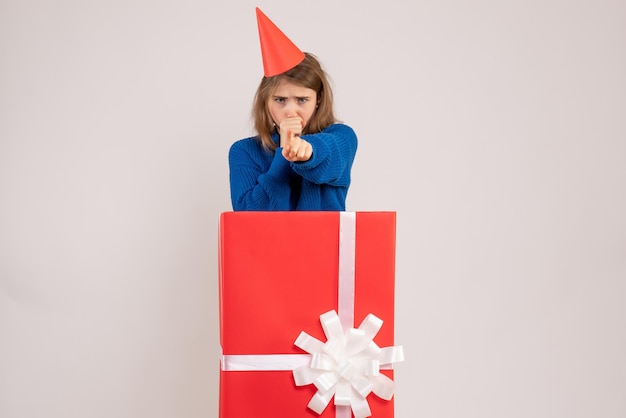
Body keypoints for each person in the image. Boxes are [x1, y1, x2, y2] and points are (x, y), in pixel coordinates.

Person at [228, 8, 358, 211]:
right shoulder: (244, 151)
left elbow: (330, 154)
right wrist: (284, 154)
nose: (290, 111)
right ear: (266, 102)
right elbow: (248, 217)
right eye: (280, 100)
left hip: (325, 243)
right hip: (269, 244)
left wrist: (307, 152)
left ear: (318, 99)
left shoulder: (342, 137)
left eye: (302, 100)